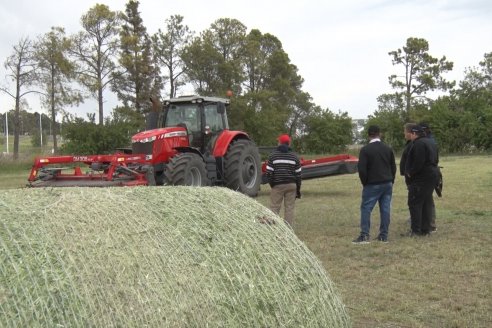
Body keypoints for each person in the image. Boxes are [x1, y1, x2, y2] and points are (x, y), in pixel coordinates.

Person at [353, 125, 396, 244]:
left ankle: (364, 235)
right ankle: (383, 236)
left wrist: (365, 182)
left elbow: (362, 169)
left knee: (366, 208)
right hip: (387, 183)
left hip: (372, 183)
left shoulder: (365, 150)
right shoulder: (388, 149)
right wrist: (391, 180)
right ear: (379, 134)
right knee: (385, 209)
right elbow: (393, 166)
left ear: (368, 135)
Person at [403, 124, 440, 236]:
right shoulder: (431, 142)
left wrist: (410, 172)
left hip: (422, 177)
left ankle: (415, 231)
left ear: (414, 133)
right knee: (426, 202)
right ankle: (426, 229)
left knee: (414, 202)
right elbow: (436, 159)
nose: (406, 134)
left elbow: (419, 161)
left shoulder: (418, 144)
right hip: (433, 174)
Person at [266, 134, 302, 227]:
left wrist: (273, 184)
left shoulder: (273, 156)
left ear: (279, 143)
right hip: (292, 185)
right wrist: (298, 189)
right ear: (288, 144)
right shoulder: (295, 157)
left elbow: (268, 173)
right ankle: (288, 229)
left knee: (274, 207)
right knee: (289, 208)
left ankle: (272, 227)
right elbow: (298, 175)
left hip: (278, 185)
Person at [419, 122, 439, 232]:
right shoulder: (431, 141)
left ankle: (430, 223)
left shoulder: (428, 142)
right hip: (432, 172)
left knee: (428, 199)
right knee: (427, 198)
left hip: (428, 173)